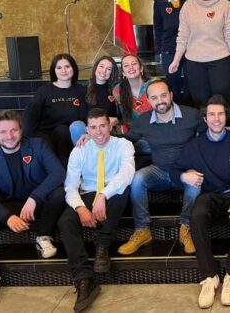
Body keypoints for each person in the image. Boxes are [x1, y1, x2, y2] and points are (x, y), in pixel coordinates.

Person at [171, 95, 230, 309]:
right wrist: (184, 176)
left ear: (226, 116)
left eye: (220, 114)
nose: (216, 118)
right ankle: (209, 276)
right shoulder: (195, 145)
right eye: (211, 114)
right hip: (209, 196)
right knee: (197, 215)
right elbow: (174, 170)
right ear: (205, 118)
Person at [0, 110, 65, 306]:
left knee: (59, 193)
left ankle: (43, 236)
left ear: (21, 129)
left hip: (39, 202)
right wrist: (7, 217)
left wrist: (35, 197)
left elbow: (58, 173)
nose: (9, 136)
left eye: (14, 130)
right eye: (3, 132)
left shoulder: (38, 145)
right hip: (12, 206)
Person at [58, 108, 135, 312]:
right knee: (65, 222)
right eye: (93, 127)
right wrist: (80, 208)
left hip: (112, 193)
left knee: (122, 191)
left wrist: (103, 195)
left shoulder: (123, 145)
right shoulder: (79, 150)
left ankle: (102, 245)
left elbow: (126, 174)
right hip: (87, 193)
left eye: (102, 126)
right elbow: (70, 187)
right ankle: (84, 280)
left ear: (110, 126)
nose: (99, 132)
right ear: (87, 130)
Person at [117, 79, 203, 255]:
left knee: (196, 181)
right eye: (154, 98)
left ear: (171, 95)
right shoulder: (144, 120)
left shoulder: (191, 115)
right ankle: (142, 230)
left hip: (184, 172)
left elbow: (212, 133)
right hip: (159, 172)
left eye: (163, 95)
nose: (160, 101)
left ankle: (186, 228)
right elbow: (126, 140)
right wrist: (98, 137)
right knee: (138, 178)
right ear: (149, 100)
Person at [22, 53, 87, 165]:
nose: (64, 70)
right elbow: (30, 117)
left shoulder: (81, 91)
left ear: (73, 68)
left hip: (71, 137)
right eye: (59, 67)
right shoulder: (44, 91)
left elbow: (88, 115)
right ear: (54, 71)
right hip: (47, 134)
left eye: (67, 66)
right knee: (59, 133)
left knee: (64, 131)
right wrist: (25, 140)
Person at [153, 0, 194, 103]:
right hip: (169, 51)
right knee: (172, 88)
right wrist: (159, 51)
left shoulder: (191, 1)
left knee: (191, 86)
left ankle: (190, 112)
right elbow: (158, 28)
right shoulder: (159, 1)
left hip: (190, 51)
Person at [112, 53, 152, 134]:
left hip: (155, 130)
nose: (131, 67)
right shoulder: (118, 90)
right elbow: (123, 117)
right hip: (133, 132)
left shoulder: (153, 85)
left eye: (134, 64)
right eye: (126, 65)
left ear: (141, 68)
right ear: (123, 73)